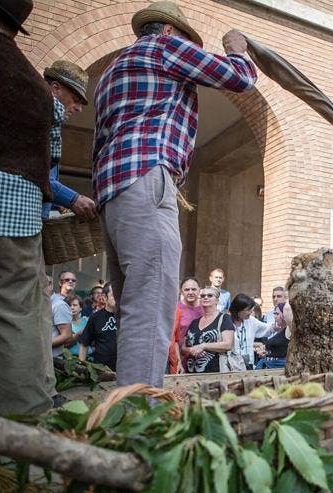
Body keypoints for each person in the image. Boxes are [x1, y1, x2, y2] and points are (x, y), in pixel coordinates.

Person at [92, 1, 257, 387]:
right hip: (148, 179)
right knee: (151, 308)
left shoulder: (110, 70)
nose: (188, 49)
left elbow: (98, 144)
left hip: (113, 192)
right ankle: (141, 409)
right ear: (168, 31)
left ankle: (127, 401)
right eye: (187, 41)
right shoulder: (165, 47)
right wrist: (237, 48)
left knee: (133, 305)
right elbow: (239, 78)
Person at [0, 0, 58, 414]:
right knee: (18, 326)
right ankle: (29, 441)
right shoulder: (38, 87)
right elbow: (46, 165)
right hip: (18, 220)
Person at [42, 60, 96, 221]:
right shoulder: (39, 120)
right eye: (75, 99)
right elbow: (35, 174)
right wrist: (73, 199)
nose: (78, 108)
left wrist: (55, 203)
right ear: (55, 88)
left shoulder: (51, 122)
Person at [182, 287, 235, 373]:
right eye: (203, 296)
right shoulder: (194, 322)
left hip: (216, 374)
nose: (205, 297)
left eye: (210, 295)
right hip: (191, 374)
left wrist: (203, 346)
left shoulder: (224, 318)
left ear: (217, 301)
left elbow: (228, 345)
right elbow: (183, 348)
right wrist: (192, 351)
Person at [167, 277, 203, 374]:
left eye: (194, 289)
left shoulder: (206, 308)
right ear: (181, 291)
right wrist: (178, 362)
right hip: (180, 359)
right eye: (187, 289)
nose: (190, 292)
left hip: (203, 360)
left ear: (199, 289)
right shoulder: (176, 310)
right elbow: (172, 338)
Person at [79, 283, 117, 371]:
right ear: (104, 296)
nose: (118, 297)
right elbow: (84, 343)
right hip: (101, 370)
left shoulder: (128, 317)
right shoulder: (95, 317)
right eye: (114, 294)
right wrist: (82, 367)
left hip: (125, 370)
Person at [229, 293, 272, 369]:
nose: (250, 312)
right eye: (248, 310)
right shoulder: (226, 322)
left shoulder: (251, 321)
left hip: (248, 365)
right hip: (231, 366)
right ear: (238, 310)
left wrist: (276, 326)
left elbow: (266, 329)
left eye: (251, 310)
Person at [255, 303, 291, 369]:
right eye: (274, 314)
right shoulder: (278, 330)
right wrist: (265, 351)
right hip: (268, 366)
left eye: (277, 314)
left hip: (278, 368)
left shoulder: (290, 329)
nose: (275, 316)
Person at [48, 275, 73, 358]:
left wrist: (42, 345)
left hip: (52, 359)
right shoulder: (41, 303)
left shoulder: (58, 305)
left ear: (50, 285)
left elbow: (66, 335)